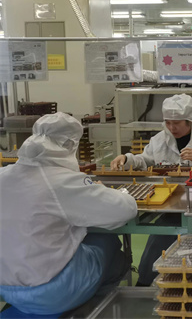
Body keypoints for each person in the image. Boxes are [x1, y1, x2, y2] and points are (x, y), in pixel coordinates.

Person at [0, 113, 137, 315]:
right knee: (107, 242)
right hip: (53, 293)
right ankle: (98, 306)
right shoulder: (62, 180)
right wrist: (114, 192)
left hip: (7, 289)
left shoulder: (3, 175)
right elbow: (125, 210)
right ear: (70, 145)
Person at [110, 93, 192, 286]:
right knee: (161, 237)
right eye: (168, 122)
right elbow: (145, 160)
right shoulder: (160, 140)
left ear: (189, 120)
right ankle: (146, 282)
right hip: (171, 201)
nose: (171, 127)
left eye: (176, 123)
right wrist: (127, 159)